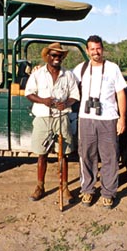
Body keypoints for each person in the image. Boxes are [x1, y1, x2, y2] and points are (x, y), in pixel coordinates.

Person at [73, 35, 127, 209]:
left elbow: (120, 93)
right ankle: (87, 190)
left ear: (102, 49)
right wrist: (37, 70)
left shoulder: (112, 68)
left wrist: (122, 118)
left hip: (108, 118)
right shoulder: (80, 69)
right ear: (87, 51)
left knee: (109, 157)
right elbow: (66, 83)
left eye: (98, 48)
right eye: (92, 49)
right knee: (86, 155)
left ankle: (108, 193)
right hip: (86, 118)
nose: (96, 52)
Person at [25, 42, 80, 203]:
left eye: (60, 56)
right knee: (42, 154)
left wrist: (67, 103)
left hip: (61, 117)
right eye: (54, 55)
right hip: (42, 117)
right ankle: (40, 187)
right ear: (47, 56)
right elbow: (29, 93)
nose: (57, 58)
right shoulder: (38, 74)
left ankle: (64, 187)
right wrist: (43, 100)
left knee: (63, 155)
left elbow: (75, 95)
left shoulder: (68, 75)